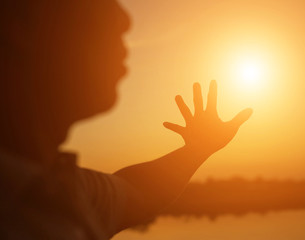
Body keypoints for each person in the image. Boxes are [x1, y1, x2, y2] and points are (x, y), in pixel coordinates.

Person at [0, 0, 253, 239]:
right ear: (22, 24)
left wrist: (197, 150)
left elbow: (138, 192)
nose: (125, 19)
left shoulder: (56, 188)